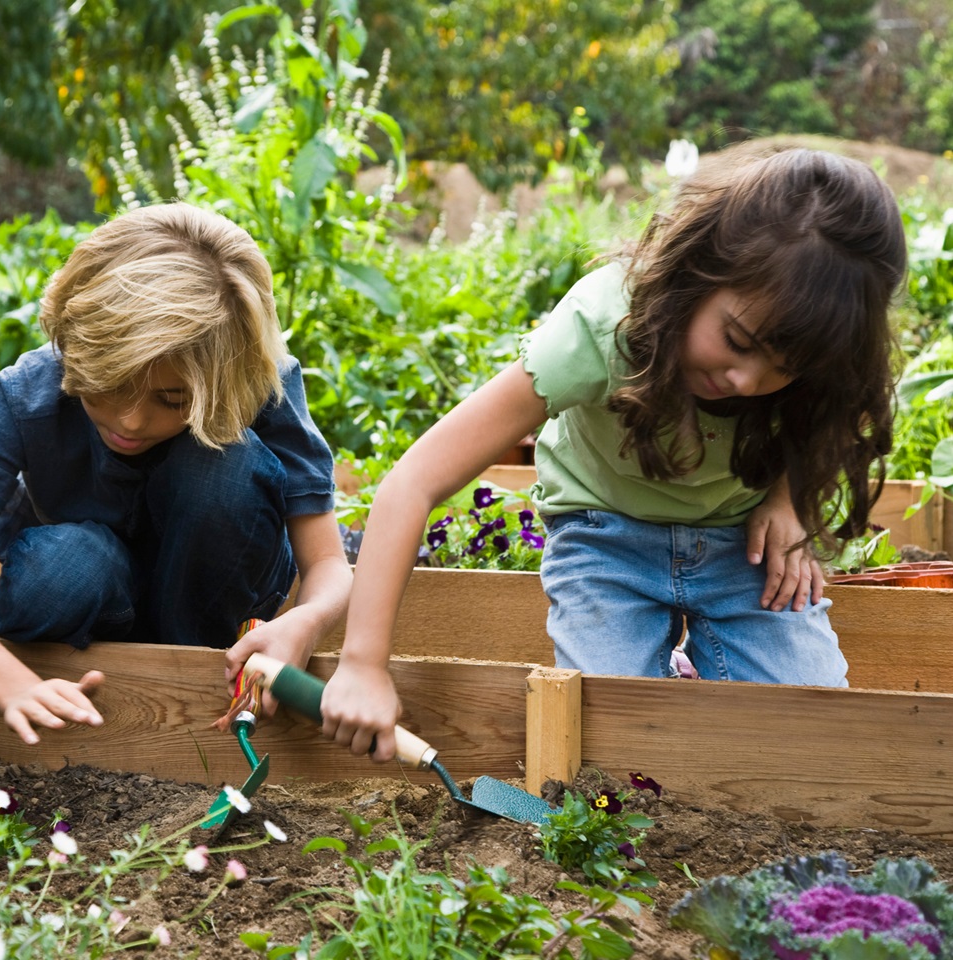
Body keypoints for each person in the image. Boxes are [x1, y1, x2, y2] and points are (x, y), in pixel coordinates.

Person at [320, 146, 907, 762]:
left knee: (816, 738)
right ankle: (672, 672)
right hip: (605, 538)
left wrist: (788, 502)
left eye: (783, 369)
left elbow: (834, 418)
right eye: (736, 341)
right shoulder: (601, 327)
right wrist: (361, 663)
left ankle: (689, 670)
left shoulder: (812, 362)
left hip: (742, 544)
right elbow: (412, 480)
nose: (745, 380)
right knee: (608, 744)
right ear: (699, 269)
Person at [0, 203, 353, 745]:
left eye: (172, 399)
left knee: (225, 464)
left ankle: (191, 670)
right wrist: (11, 683)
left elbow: (326, 564)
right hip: (86, 607)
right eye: (109, 388)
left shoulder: (257, 381)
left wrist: (306, 621)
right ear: (73, 345)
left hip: (211, 604)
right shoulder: (29, 392)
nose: (131, 421)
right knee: (66, 565)